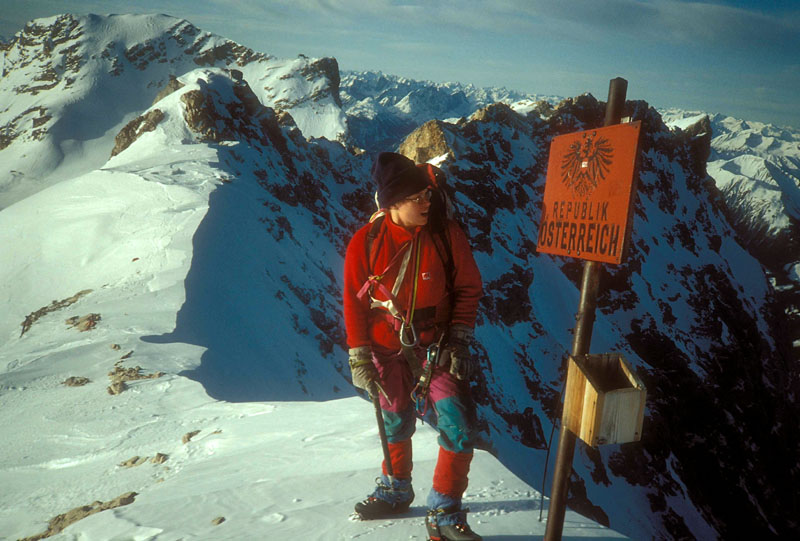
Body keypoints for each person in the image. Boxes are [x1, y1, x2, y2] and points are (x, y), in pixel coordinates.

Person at [343, 152, 484, 540]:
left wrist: (458, 337)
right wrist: (359, 355)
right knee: (394, 419)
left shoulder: (445, 235)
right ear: (392, 203)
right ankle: (395, 487)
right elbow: (354, 304)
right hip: (385, 348)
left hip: (436, 346)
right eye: (417, 197)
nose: (427, 202)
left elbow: (468, 288)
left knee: (459, 423)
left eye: (427, 194)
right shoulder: (366, 243)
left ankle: (444, 510)